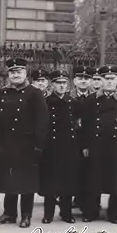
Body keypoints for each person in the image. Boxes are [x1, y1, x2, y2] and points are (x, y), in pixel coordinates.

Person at [0, 58, 49, 228]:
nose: (15, 75)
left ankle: (26, 215)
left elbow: (42, 121)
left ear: (25, 74)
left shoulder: (34, 93)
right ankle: (9, 213)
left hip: (27, 145)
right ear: (8, 75)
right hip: (7, 144)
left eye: (19, 72)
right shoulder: (4, 92)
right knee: (9, 180)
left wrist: (38, 146)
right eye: (12, 72)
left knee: (26, 182)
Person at [81, 65, 117, 224]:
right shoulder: (92, 99)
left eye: (112, 78)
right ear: (100, 80)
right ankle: (91, 211)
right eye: (106, 78)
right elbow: (86, 124)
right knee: (93, 180)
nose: (109, 81)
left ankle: (114, 213)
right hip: (96, 144)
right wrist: (85, 145)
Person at [39, 70, 80, 224]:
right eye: (58, 83)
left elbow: (78, 123)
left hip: (69, 146)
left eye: (64, 83)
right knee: (50, 182)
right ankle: (48, 214)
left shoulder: (73, 102)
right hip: (51, 147)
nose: (62, 86)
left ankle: (66, 213)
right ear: (52, 84)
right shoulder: (46, 102)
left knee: (68, 182)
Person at [70, 66, 95, 210]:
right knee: (73, 168)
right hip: (73, 137)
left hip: (91, 137)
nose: (83, 81)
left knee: (89, 168)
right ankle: (72, 197)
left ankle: (86, 199)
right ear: (74, 80)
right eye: (80, 78)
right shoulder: (69, 95)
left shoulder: (96, 97)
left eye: (87, 78)